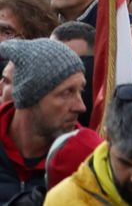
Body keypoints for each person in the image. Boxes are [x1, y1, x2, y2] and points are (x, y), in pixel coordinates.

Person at [0, 38, 89, 203]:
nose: (81, 106)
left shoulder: (88, 158)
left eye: (80, 91)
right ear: (30, 97)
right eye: (67, 92)